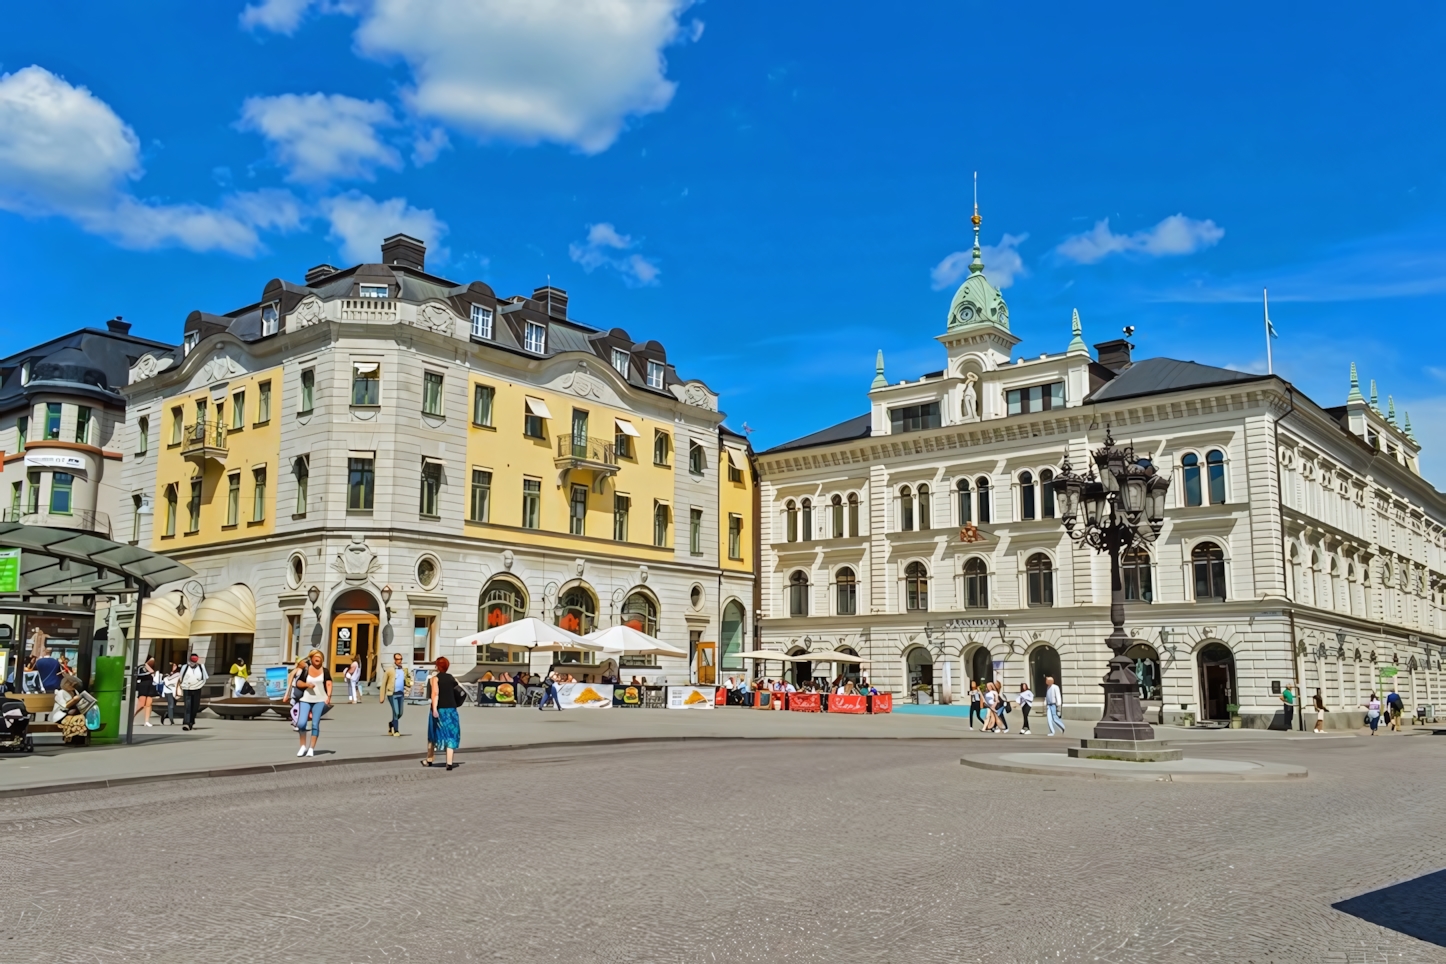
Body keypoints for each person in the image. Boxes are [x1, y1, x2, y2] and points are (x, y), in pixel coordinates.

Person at [423, 656, 462, 771]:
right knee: (451, 735)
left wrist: (434, 709)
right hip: (452, 710)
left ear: (437, 666)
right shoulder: (452, 678)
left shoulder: (435, 679)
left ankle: (429, 760)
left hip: (440, 709)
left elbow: (435, 694)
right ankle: (449, 763)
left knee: (433, 733)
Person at [294, 649, 332, 757]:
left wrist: (329, 697)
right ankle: (302, 746)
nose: (318, 659)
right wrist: (307, 685)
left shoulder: (325, 671)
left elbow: (329, 683)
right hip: (306, 699)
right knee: (301, 723)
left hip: (320, 700)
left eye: (320, 658)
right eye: (316, 657)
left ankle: (311, 748)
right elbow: (298, 683)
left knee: (315, 724)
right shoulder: (306, 670)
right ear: (311, 658)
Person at [380, 653, 411, 736]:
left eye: (401, 659)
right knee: (396, 712)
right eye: (397, 659)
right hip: (392, 694)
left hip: (401, 694)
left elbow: (407, 680)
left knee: (400, 713)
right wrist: (382, 696)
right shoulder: (390, 670)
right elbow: (383, 683)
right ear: (394, 660)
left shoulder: (403, 670)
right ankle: (396, 730)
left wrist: (409, 682)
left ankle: (391, 724)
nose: (399, 661)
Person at [52, 675, 89, 744]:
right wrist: (74, 700)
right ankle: (71, 737)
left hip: (73, 712)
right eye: (71, 685)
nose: (73, 687)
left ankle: (78, 738)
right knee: (77, 719)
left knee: (81, 717)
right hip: (62, 714)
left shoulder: (74, 691)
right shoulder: (61, 693)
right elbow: (64, 706)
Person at [176, 654, 208, 730]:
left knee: (195, 707)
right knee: (188, 706)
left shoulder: (201, 667)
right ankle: (186, 723)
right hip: (187, 688)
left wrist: (199, 684)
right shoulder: (185, 667)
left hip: (197, 688)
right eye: (191, 661)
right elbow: (181, 677)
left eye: (194, 661)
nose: (192, 663)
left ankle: (191, 722)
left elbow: (205, 678)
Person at [133, 657, 158, 727]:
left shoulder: (152, 667)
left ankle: (146, 721)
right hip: (143, 686)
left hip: (150, 686)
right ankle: (131, 718)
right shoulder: (141, 667)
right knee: (141, 704)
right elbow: (149, 672)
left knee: (149, 704)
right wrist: (146, 664)